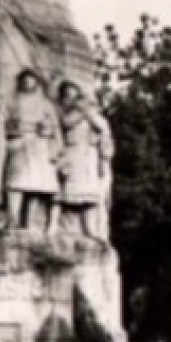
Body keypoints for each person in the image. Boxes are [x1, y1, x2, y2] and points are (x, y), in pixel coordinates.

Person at [54, 81, 114, 239]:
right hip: (72, 154)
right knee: (65, 191)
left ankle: (88, 228)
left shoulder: (95, 119)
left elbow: (102, 129)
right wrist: (82, 113)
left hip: (89, 158)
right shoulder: (67, 114)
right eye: (69, 96)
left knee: (89, 194)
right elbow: (66, 123)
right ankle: (54, 225)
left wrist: (89, 114)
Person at [4, 69, 61, 230]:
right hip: (19, 143)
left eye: (31, 79)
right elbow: (2, 123)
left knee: (35, 185)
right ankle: (12, 218)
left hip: (39, 146)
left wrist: (47, 131)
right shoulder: (12, 101)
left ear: (37, 82)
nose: (27, 82)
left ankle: (28, 222)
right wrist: (11, 130)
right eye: (24, 79)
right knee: (15, 182)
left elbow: (55, 128)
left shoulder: (45, 104)